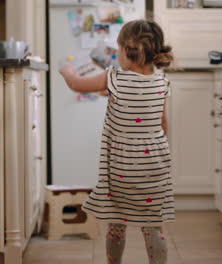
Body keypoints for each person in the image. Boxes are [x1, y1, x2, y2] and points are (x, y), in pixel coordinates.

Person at [59, 20, 175, 264]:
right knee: (153, 226)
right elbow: (162, 123)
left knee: (117, 223)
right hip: (155, 165)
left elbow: (76, 85)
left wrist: (68, 71)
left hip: (122, 168)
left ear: (124, 50)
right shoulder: (161, 83)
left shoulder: (113, 77)